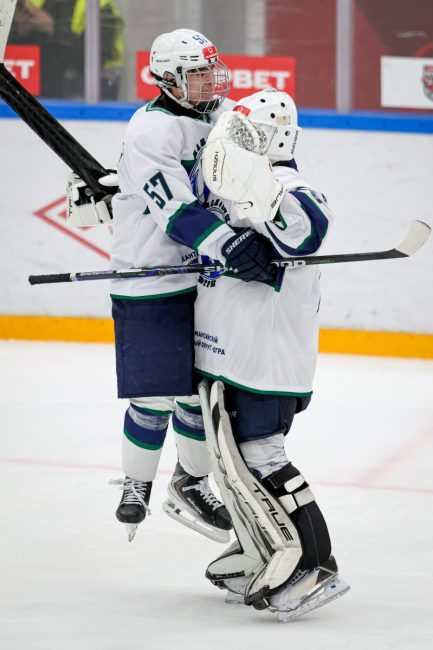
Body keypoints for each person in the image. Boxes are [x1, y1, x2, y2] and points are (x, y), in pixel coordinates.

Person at [106, 30, 279, 543]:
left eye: (210, 69)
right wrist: (229, 244)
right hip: (151, 276)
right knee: (155, 395)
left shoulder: (220, 114)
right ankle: (136, 483)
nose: (209, 79)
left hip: (205, 276)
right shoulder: (150, 130)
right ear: (166, 79)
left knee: (199, 396)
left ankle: (191, 483)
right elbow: (176, 211)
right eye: (196, 73)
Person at [194, 88, 350, 620]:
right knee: (232, 464)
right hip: (230, 351)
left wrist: (257, 188)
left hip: (266, 358)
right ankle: (263, 549)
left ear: (275, 139)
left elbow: (306, 232)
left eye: (248, 134)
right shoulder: (229, 188)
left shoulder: (291, 188)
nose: (236, 142)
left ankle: (315, 564)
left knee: (263, 457)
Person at [10, 0, 124, 99]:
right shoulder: (33, 3)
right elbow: (14, 52)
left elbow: (89, 60)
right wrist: (20, 29)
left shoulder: (99, 6)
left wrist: (52, 27)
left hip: (85, 95)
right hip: (37, 91)